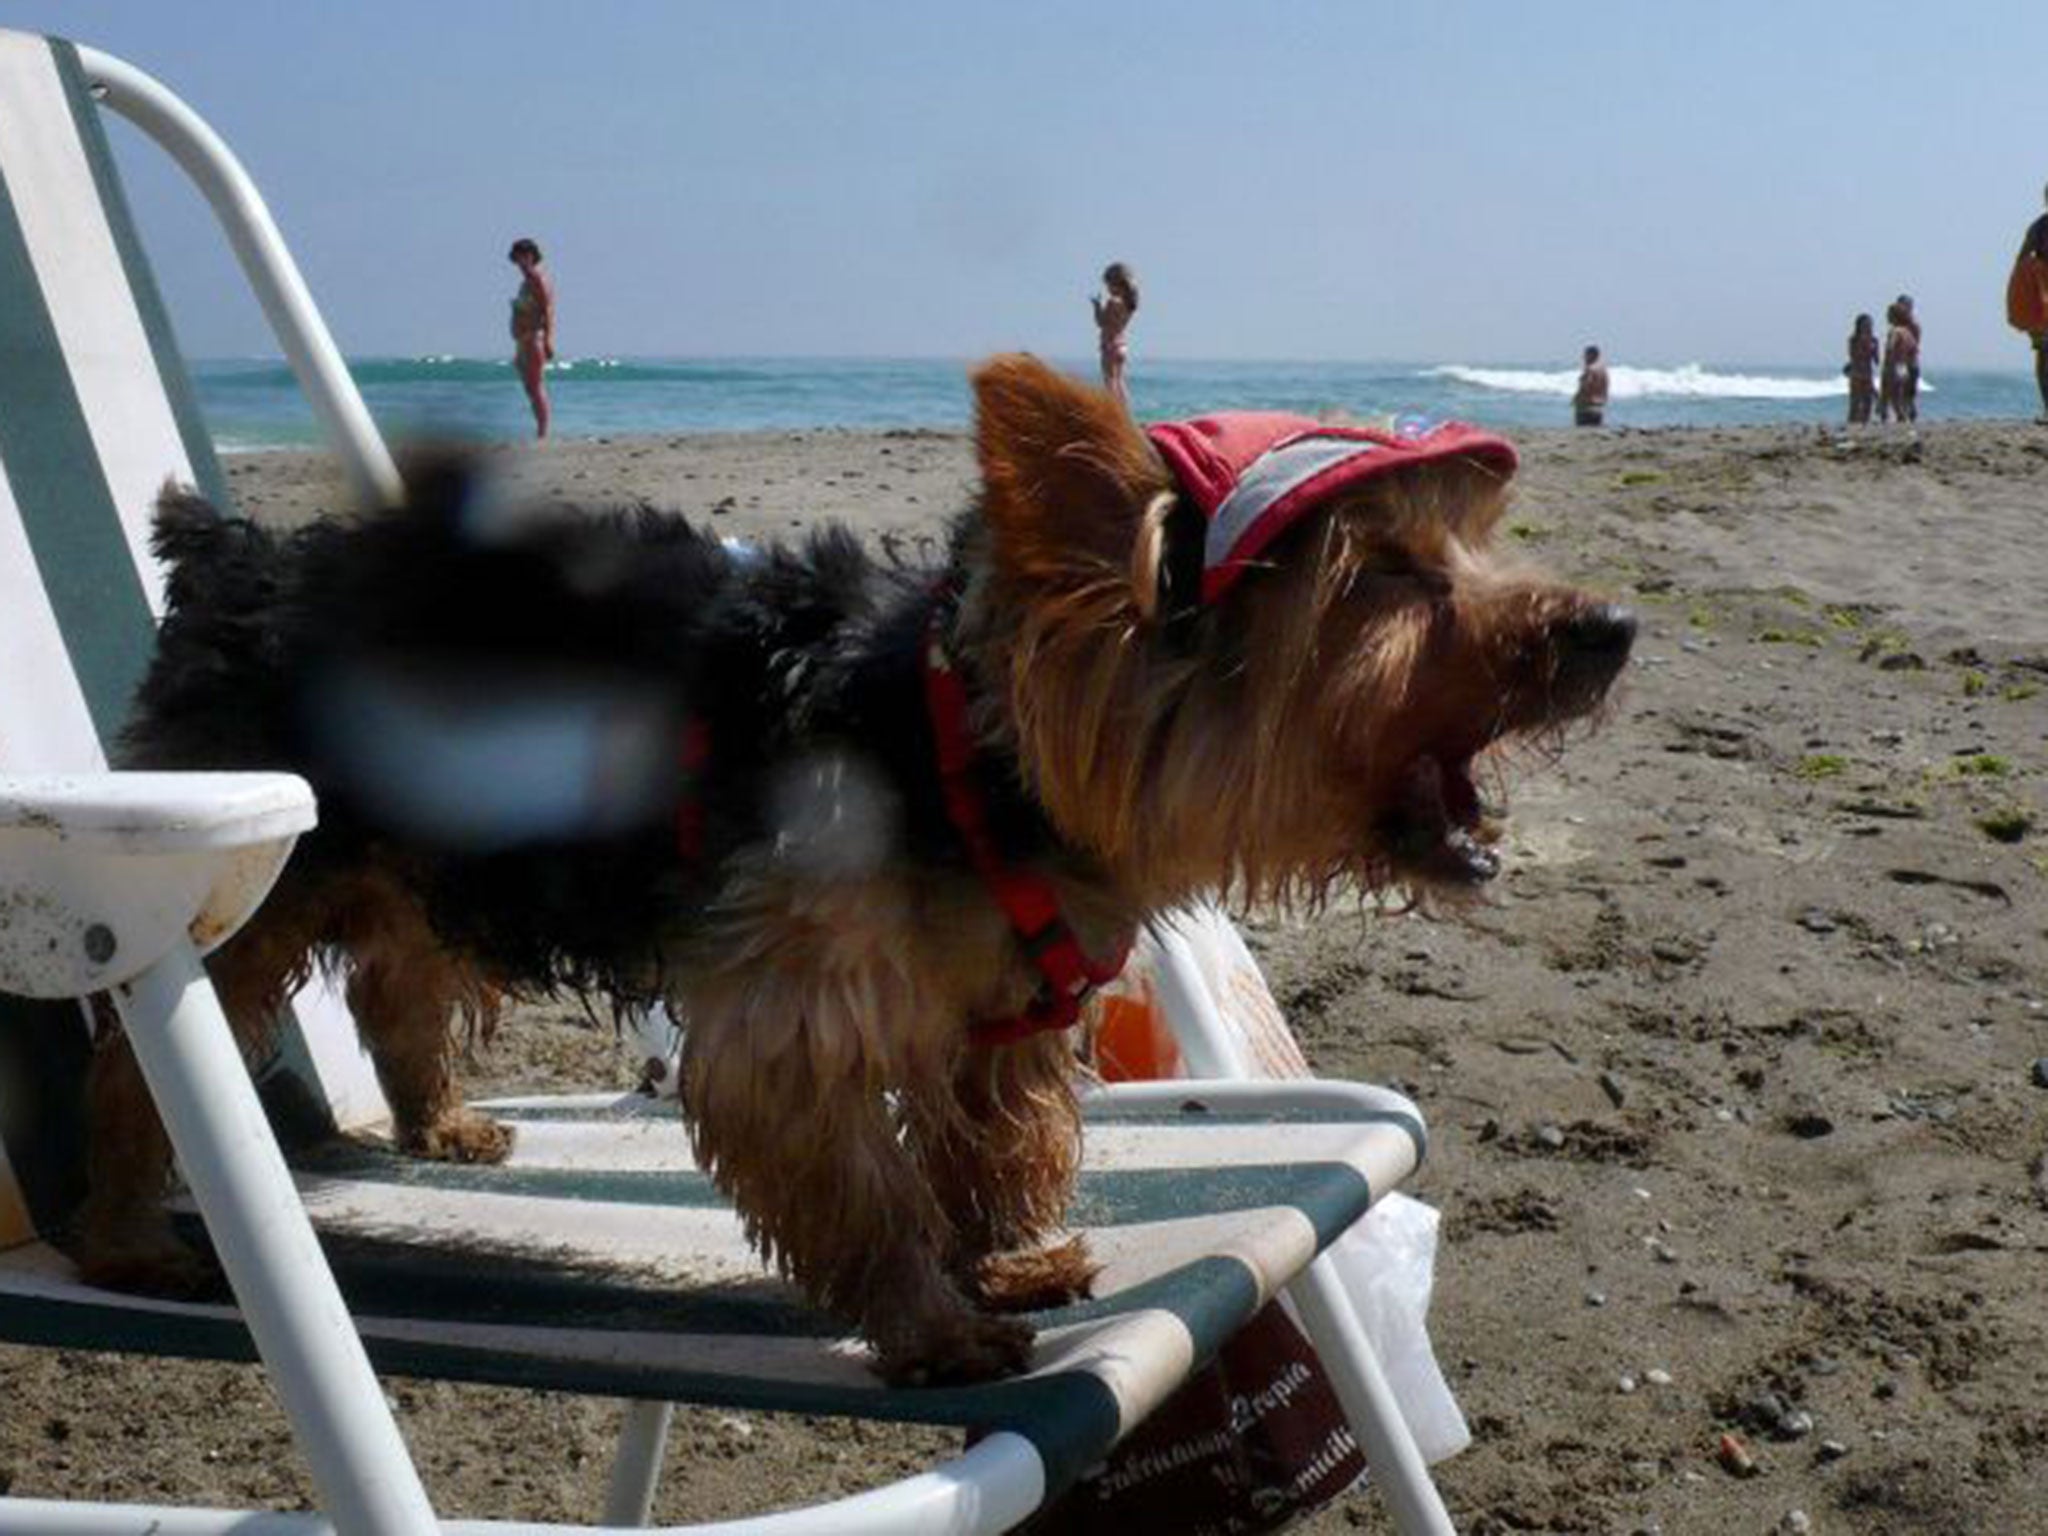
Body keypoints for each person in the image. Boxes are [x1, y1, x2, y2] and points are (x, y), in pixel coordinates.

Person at [508, 237, 556, 438]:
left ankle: (543, 431)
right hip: (522, 339)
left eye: (526, 255)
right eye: (519, 255)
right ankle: (539, 427)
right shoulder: (525, 282)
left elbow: (548, 309)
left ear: (532, 256)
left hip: (534, 337)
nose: (522, 260)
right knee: (529, 387)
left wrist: (548, 340)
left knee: (536, 386)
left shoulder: (537, 279)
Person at [2016, 184, 2048, 422]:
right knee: (2044, 353)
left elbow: (2021, 260)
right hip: (2043, 298)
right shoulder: (2039, 228)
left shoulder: (2039, 227)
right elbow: (2022, 262)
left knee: (2044, 354)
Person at [1091, 262, 1139, 405]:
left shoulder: (1113, 302)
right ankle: (1126, 413)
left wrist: (1097, 306)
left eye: (1108, 285)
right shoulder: (1129, 304)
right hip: (1122, 345)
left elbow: (1101, 322)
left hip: (1109, 345)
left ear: (1115, 284)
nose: (1107, 289)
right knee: (1120, 380)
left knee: (1109, 381)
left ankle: (1115, 413)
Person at [1880, 299, 1919, 425]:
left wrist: (1888, 362)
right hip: (1904, 366)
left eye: (1889, 314)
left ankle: (1899, 417)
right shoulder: (1907, 332)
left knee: (1891, 395)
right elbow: (1914, 348)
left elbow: (1891, 347)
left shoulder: (1895, 331)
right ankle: (1902, 417)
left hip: (1894, 365)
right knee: (1901, 395)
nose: (1886, 317)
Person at [1844, 313, 1879, 425]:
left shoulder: (1874, 340)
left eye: (1869, 325)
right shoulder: (1853, 339)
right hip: (1856, 374)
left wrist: (1873, 349)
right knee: (1855, 402)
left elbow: (1876, 360)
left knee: (1868, 402)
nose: (1868, 327)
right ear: (1859, 326)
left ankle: (1864, 424)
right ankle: (1852, 424)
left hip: (1868, 373)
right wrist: (1865, 346)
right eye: (1865, 325)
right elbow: (1853, 355)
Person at [1573, 344, 1609, 427]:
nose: (1583, 358)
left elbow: (1586, 386)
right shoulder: (1603, 370)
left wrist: (1577, 398)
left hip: (1586, 407)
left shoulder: (1590, 369)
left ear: (1591, 355)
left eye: (1585, 355)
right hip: (1599, 407)